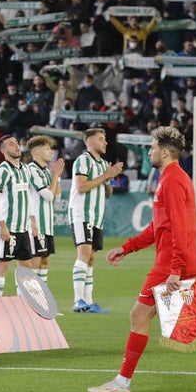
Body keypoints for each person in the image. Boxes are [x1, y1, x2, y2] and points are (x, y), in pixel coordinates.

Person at [88, 126, 196, 392]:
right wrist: (127, 248)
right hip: (179, 262)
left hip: (170, 265)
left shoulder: (172, 180)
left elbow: (179, 228)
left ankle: (123, 382)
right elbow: (159, 227)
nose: (149, 152)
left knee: (139, 317)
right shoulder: (172, 178)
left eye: (152, 148)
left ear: (164, 152)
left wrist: (175, 269)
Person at [68, 128, 124, 313]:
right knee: (84, 253)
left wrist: (109, 178)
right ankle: (78, 301)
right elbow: (81, 186)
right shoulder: (83, 160)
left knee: (91, 257)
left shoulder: (103, 164)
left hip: (96, 217)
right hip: (81, 214)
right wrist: (106, 176)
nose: (105, 142)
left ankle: (88, 302)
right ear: (89, 142)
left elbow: (107, 193)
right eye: (101, 139)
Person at [0, 133, 38, 297]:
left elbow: (28, 196)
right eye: (11, 144)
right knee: (2, 266)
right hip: (8, 227)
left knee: (26, 267)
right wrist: (2, 225)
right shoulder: (3, 170)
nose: (16, 146)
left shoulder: (25, 169)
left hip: (23, 228)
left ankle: (22, 301)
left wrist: (33, 220)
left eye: (16, 142)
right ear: (3, 150)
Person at [27, 135, 65, 284]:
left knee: (44, 262)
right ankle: (29, 296)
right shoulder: (32, 170)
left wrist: (57, 176)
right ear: (36, 151)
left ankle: (41, 295)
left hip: (47, 225)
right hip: (36, 223)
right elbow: (48, 196)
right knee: (35, 262)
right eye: (47, 149)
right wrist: (54, 175)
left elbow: (57, 198)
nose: (51, 152)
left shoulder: (46, 171)